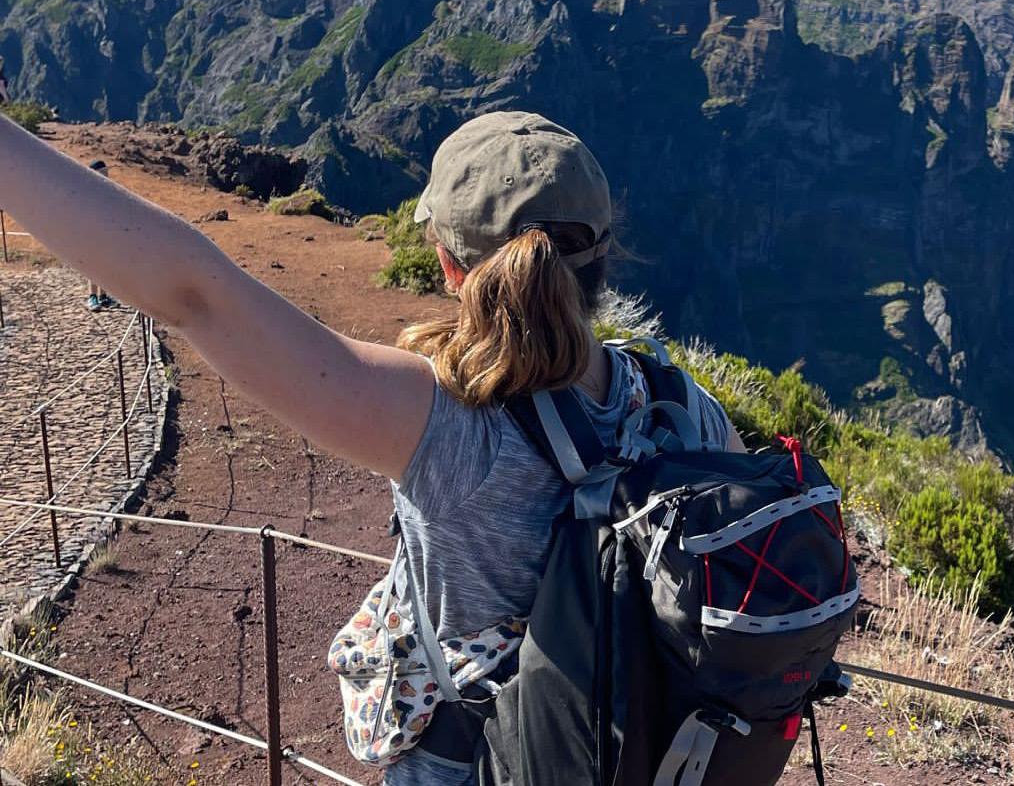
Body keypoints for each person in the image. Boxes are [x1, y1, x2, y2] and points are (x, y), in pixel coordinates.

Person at [0, 110, 745, 785]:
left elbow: (197, 294)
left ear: (450, 268)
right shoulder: (685, 408)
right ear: (603, 257)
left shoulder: (449, 423)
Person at [84, 160, 117, 312]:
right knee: (93, 266)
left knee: (106, 266)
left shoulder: (108, 190)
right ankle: (92, 296)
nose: (106, 175)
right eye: (103, 172)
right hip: (92, 233)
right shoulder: (88, 192)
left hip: (106, 232)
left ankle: (103, 295)